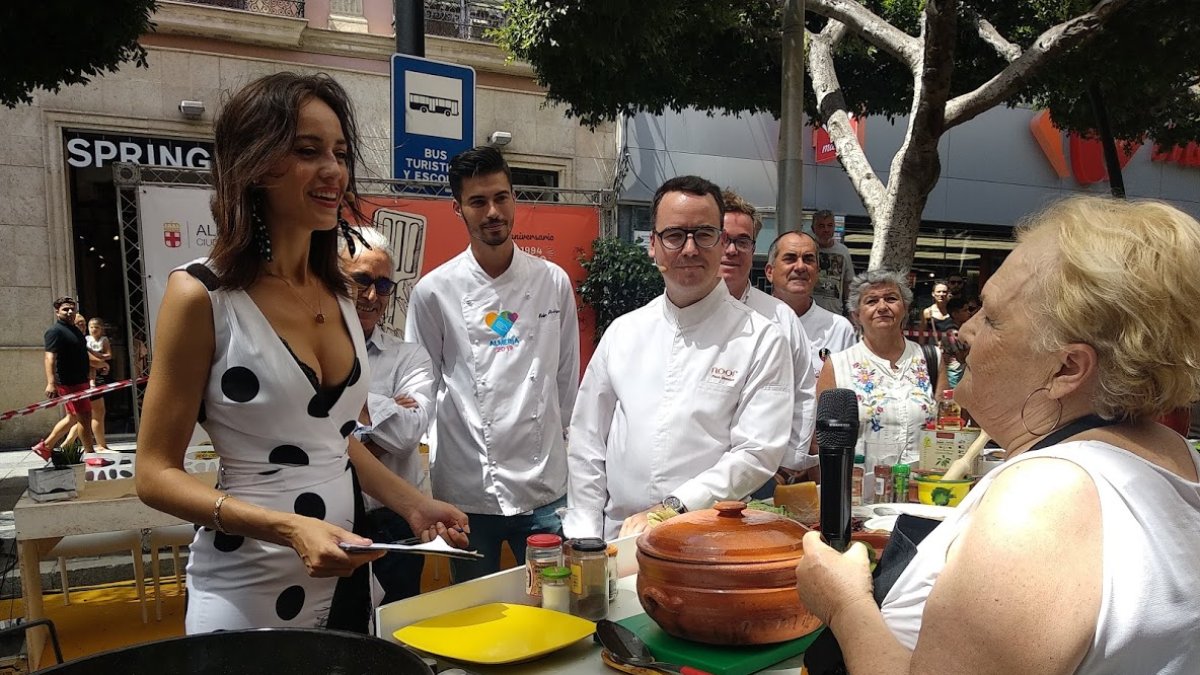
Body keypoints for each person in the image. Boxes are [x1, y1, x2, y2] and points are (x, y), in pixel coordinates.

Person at [796, 196, 1200, 675]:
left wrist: (844, 603)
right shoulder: (1169, 451)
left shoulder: (1045, 499)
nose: (965, 330)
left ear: (1067, 368)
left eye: (991, 318)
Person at [135, 72, 468, 634]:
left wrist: (412, 504)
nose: (333, 170)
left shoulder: (337, 294)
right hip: (246, 589)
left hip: (347, 576)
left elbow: (332, 440)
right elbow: (153, 473)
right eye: (308, 151)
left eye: (340, 153)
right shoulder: (202, 295)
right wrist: (288, 528)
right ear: (254, 164)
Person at [567, 176, 793, 540]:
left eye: (703, 234)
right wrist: (585, 535)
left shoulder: (761, 339)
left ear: (721, 242)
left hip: (707, 540)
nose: (689, 249)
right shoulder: (624, 332)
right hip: (616, 538)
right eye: (674, 235)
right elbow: (587, 442)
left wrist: (673, 508)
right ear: (653, 245)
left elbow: (756, 452)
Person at [405, 146, 579, 583]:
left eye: (501, 198)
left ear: (515, 199)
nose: (493, 212)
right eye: (478, 202)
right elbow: (422, 383)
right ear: (458, 208)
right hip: (467, 489)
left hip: (545, 487)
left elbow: (565, 377)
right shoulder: (433, 291)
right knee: (475, 607)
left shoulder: (552, 281)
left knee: (552, 599)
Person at [339, 226, 433, 604]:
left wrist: (346, 404)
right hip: (331, 521)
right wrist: (385, 406)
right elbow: (304, 433)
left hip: (395, 523)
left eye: (383, 285)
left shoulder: (408, 356)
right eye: (361, 280)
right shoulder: (303, 352)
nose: (372, 296)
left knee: (398, 625)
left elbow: (408, 434)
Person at [720, 190, 816, 481]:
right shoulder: (682, 313)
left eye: (742, 241)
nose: (732, 250)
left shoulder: (780, 318)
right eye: (723, 239)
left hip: (763, 476)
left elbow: (803, 395)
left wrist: (785, 468)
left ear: (753, 249)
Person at [816, 270, 935, 467]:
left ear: (905, 308)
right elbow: (824, 440)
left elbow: (947, 426)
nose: (882, 307)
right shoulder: (837, 366)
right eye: (871, 301)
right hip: (861, 482)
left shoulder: (931, 359)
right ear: (856, 315)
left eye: (891, 299)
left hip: (923, 482)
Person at [766, 231, 856, 383]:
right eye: (790, 258)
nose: (800, 267)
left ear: (817, 272)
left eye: (808, 259)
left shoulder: (839, 330)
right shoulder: (751, 322)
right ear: (770, 272)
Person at [32, 298, 95, 459]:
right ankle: (90, 454)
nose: (70, 312)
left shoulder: (74, 330)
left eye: (72, 309)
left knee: (73, 417)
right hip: (69, 382)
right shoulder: (55, 331)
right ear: (57, 312)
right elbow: (49, 358)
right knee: (85, 417)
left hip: (80, 380)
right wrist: (51, 383)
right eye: (65, 309)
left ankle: (45, 446)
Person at [64, 316, 113, 450]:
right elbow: (90, 360)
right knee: (93, 414)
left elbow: (102, 355)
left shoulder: (83, 340)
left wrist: (101, 361)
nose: (85, 328)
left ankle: (65, 444)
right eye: (80, 324)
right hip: (85, 380)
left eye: (84, 324)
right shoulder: (78, 340)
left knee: (83, 416)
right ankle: (100, 446)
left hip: (85, 380)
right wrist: (104, 364)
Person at [809, 209, 856, 316]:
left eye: (829, 225)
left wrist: (852, 312)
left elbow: (848, 284)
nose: (826, 230)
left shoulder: (843, 251)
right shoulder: (808, 249)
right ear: (813, 228)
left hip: (835, 313)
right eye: (821, 226)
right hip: (810, 312)